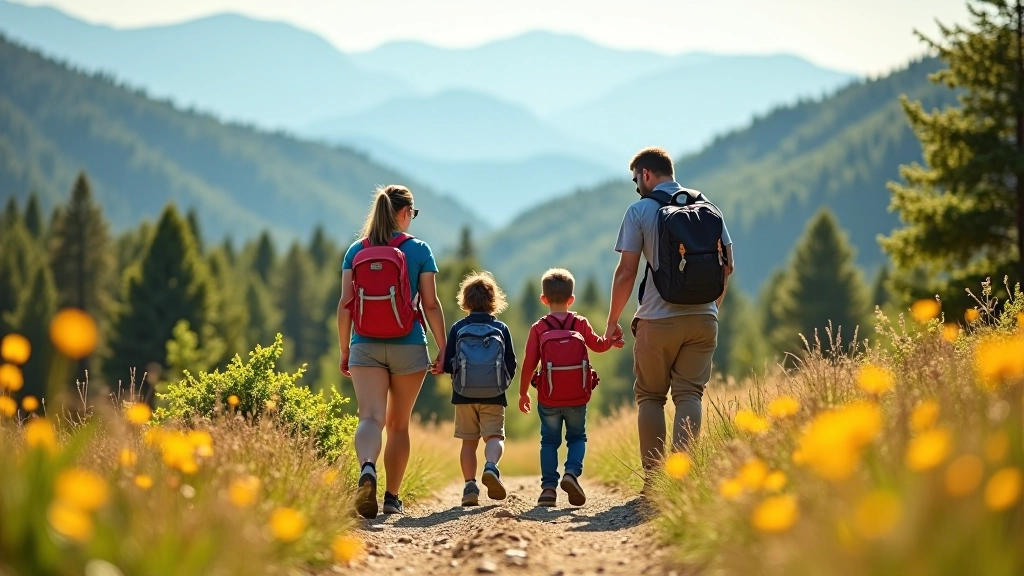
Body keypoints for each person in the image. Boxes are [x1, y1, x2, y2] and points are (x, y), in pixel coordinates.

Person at [604, 147, 734, 485]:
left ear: (646, 174)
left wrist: (613, 320)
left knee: (651, 396)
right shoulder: (708, 207)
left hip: (657, 320)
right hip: (705, 319)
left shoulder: (639, 211)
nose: (636, 186)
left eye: (636, 179)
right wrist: (711, 308)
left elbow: (626, 272)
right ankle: (681, 481)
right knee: (689, 395)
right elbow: (728, 266)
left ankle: (654, 481)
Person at [337, 185, 447, 519]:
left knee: (370, 417)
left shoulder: (356, 250)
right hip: (409, 344)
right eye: (412, 213)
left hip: (365, 344)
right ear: (404, 213)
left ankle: (367, 467)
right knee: (398, 425)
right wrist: (444, 348)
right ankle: (391, 498)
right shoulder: (419, 250)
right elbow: (430, 303)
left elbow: (345, 303)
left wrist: (345, 349)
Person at [519, 268, 622, 507]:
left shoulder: (539, 328)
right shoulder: (579, 322)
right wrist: (612, 340)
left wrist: (523, 392)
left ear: (543, 299)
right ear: (571, 299)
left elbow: (528, 363)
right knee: (577, 437)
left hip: (549, 396)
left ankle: (548, 489)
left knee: (549, 442)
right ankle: (571, 474)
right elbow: (597, 346)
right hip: (577, 394)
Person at [442, 272, 516, 507]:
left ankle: (469, 486)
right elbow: (511, 363)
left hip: (463, 395)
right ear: (493, 300)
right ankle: (491, 467)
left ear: (465, 300)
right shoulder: (501, 328)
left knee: (468, 442)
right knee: (494, 436)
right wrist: (501, 383)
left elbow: (447, 364)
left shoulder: (458, 327)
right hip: (494, 394)